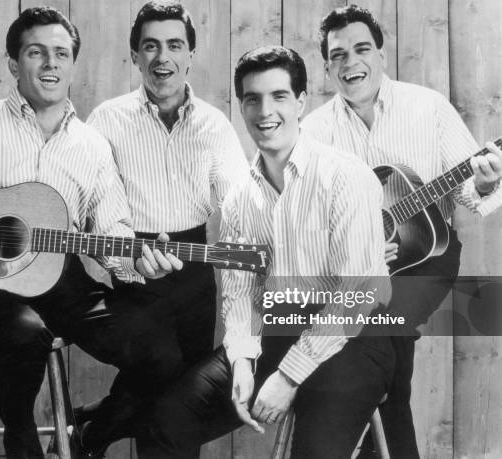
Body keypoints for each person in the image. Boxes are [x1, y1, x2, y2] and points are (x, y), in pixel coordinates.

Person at [0, 7, 178, 459]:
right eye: (36, 52)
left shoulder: (92, 147)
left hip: (64, 286)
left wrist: (137, 260)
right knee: (25, 334)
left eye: (61, 54)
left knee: (160, 348)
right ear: (13, 63)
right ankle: (21, 441)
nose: (50, 64)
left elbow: (111, 230)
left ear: (72, 64)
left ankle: (91, 432)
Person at [133, 45, 395, 459]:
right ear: (241, 106)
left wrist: (288, 376)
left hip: (354, 338)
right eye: (252, 98)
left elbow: (357, 295)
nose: (264, 110)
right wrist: (241, 361)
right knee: (168, 416)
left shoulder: (349, 179)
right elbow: (241, 294)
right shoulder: (238, 200)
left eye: (278, 96)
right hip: (275, 333)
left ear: (301, 102)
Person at [300, 5, 502, 457]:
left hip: (428, 260)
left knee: (373, 332)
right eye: (338, 55)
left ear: (382, 54)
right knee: (386, 365)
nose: (351, 62)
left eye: (362, 49)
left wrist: (486, 180)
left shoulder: (427, 108)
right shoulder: (313, 133)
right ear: (327, 66)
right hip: (352, 272)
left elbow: (472, 192)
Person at [80, 1, 249, 455]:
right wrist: (130, 259)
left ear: (191, 54)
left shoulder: (214, 125)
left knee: (181, 407)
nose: (162, 58)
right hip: (134, 263)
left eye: (174, 45)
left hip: (196, 272)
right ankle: (96, 430)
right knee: (163, 365)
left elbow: (238, 204)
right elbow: (96, 213)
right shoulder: (107, 120)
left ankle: (94, 428)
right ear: (134, 55)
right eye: (150, 46)